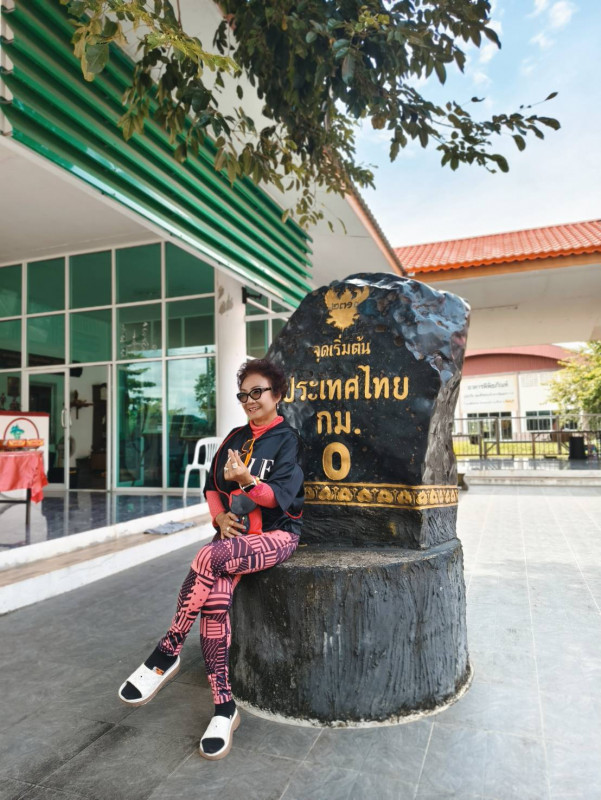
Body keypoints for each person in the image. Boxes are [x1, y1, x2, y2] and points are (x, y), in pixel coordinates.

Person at [118, 358, 304, 760]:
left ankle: (168, 650)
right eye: (244, 394)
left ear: (277, 395)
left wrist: (248, 480)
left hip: (275, 536)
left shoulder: (286, 439)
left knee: (207, 555)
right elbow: (211, 487)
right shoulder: (234, 438)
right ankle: (224, 707)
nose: (250, 400)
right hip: (231, 537)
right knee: (215, 603)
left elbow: (277, 498)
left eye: (258, 392)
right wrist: (218, 517)